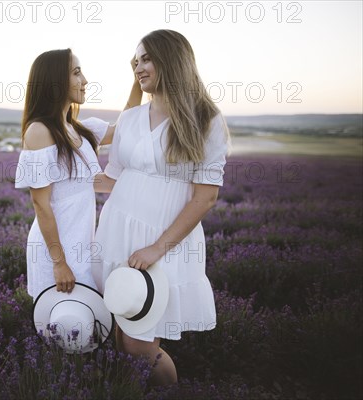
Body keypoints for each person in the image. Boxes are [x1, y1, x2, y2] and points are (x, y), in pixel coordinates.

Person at [93, 30, 231, 386]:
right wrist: (62, 185)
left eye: (146, 59)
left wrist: (158, 247)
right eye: (134, 62)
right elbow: (114, 179)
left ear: (171, 60)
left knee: (140, 343)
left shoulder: (206, 120)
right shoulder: (129, 119)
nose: (138, 67)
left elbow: (205, 197)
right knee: (122, 337)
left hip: (165, 241)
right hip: (117, 233)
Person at [15, 48, 142, 301]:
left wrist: (137, 80)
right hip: (56, 251)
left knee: (87, 325)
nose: (84, 80)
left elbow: (125, 125)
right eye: (76, 73)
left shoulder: (80, 130)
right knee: (64, 326)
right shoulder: (40, 131)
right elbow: (41, 204)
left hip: (83, 244)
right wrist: (59, 262)